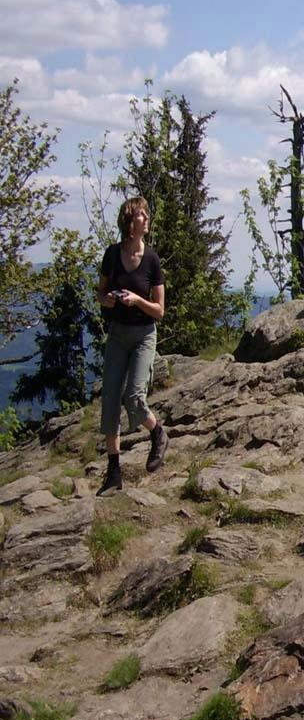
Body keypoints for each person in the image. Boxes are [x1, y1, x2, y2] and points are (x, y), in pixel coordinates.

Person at [95, 196, 169, 496]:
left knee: (134, 398)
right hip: (117, 333)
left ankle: (158, 433)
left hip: (142, 335)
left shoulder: (151, 259)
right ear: (130, 220)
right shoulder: (112, 255)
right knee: (110, 401)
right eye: (142, 214)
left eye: (147, 214)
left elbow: (160, 311)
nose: (147, 218)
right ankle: (113, 473)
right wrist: (108, 300)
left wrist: (137, 300)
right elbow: (99, 294)